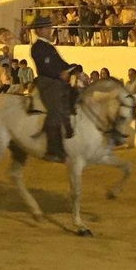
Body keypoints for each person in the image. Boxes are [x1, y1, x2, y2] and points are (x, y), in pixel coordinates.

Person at [28, 16, 77, 162]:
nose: (50, 30)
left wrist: (76, 71)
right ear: (39, 31)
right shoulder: (37, 47)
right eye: (47, 28)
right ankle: (52, 149)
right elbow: (45, 68)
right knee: (55, 111)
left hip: (56, 81)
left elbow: (62, 63)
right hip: (47, 82)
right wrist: (59, 74)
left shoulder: (49, 47)